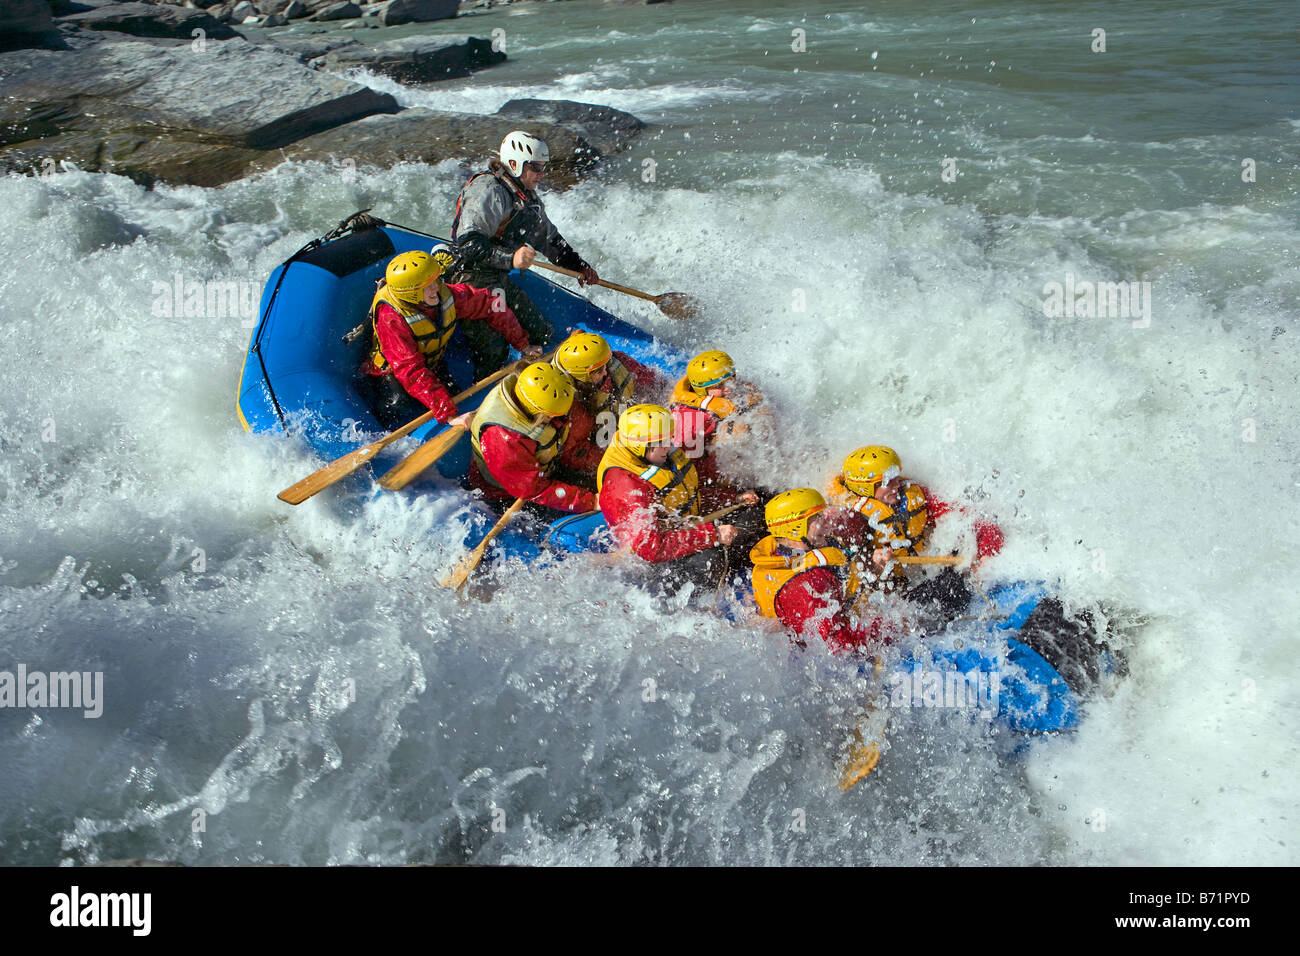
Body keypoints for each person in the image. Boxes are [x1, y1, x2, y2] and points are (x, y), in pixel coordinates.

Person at [449, 131, 600, 378]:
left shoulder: (526, 198)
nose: (541, 174)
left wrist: (580, 267)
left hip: (498, 282)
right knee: (493, 353)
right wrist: (512, 259)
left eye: (543, 168)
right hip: (470, 283)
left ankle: (527, 374)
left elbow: (550, 240)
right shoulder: (488, 190)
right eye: (536, 168)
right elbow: (468, 245)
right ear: (514, 164)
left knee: (542, 332)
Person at [357, 247, 543, 431]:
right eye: (427, 286)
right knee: (397, 405)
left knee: (455, 393)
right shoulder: (391, 319)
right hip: (390, 371)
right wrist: (449, 415)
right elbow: (410, 370)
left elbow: (492, 303)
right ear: (411, 294)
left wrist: (522, 344)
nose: (435, 289)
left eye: (435, 281)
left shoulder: (444, 294)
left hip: (431, 361)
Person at [825, 445, 1004, 615]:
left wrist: (986, 553)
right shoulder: (851, 519)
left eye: (896, 477)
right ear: (865, 488)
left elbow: (973, 521)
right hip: (883, 601)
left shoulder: (913, 496)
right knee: (950, 590)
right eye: (888, 481)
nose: (896, 485)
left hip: (916, 580)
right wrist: (871, 564)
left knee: (956, 570)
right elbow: (844, 571)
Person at [596, 404, 758, 588]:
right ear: (642, 446)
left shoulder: (656, 455)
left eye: (668, 439)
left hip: (676, 532)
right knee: (711, 560)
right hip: (650, 564)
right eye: (662, 442)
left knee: (753, 511)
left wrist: (732, 498)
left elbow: (682, 497)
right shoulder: (626, 486)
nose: (669, 445)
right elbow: (651, 548)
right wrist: (712, 535)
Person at [750, 489, 893, 654]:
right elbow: (839, 647)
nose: (827, 524)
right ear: (795, 528)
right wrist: (888, 628)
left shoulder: (777, 555)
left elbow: (844, 581)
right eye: (818, 519)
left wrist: (872, 567)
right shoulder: (806, 583)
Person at [468, 361, 596, 514]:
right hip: (508, 493)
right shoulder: (503, 439)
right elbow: (532, 489)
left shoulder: (547, 390)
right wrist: (591, 501)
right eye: (551, 416)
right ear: (539, 414)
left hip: (546, 467)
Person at [551, 331, 667, 476]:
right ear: (582, 377)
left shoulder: (614, 362)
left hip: (622, 420)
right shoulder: (572, 406)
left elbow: (654, 382)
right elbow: (574, 455)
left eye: (607, 363)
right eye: (600, 371)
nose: (607, 371)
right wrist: (624, 456)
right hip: (601, 442)